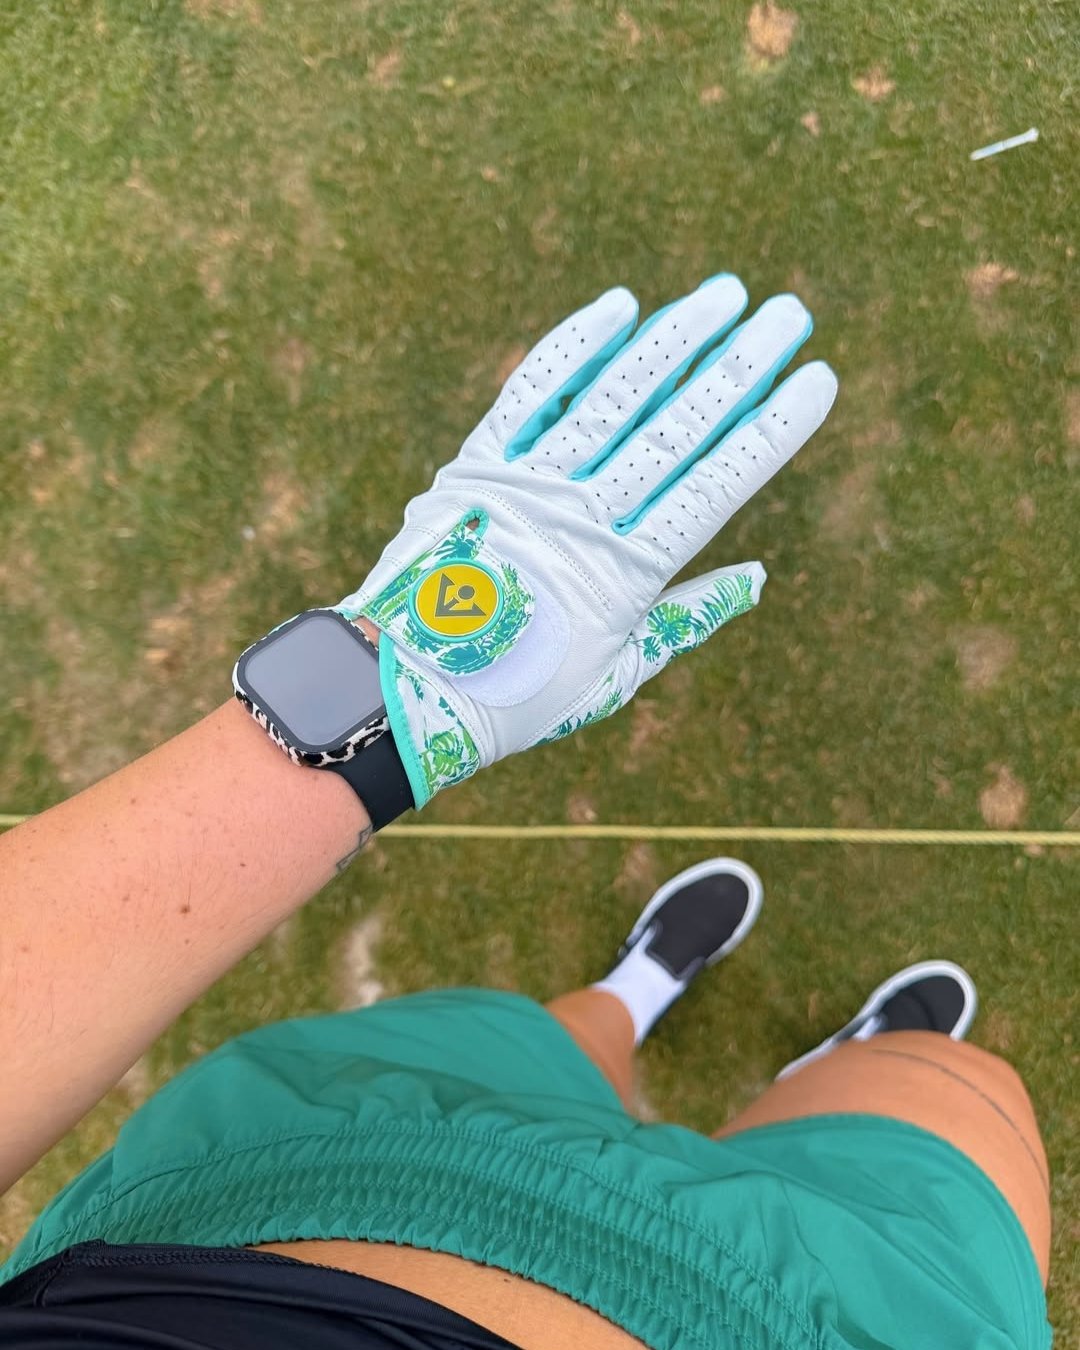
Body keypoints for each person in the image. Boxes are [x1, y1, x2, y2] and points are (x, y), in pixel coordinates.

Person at [0, 278, 1051, 1349]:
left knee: (541, 1051)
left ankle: (633, 992)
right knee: (958, 1090)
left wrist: (395, 689)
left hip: (293, 1181)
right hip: (789, 1325)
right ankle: (820, 1077)